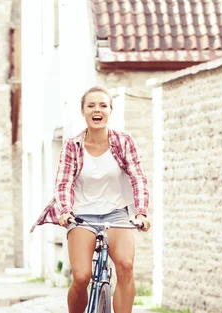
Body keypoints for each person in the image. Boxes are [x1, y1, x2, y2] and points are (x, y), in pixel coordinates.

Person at [31, 86, 152, 313]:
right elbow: (64, 182)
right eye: (91, 105)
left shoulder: (124, 142)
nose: (97, 110)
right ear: (83, 111)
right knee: (81, 276)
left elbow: (138, 177)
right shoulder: (72, 145)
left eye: (103, 105)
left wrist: (141, 213)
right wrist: (65, 211)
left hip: (116, 212)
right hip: (81, 215)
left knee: (125, 265)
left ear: (110, 111)